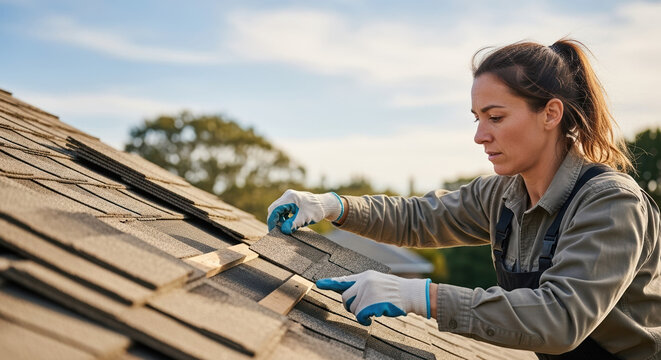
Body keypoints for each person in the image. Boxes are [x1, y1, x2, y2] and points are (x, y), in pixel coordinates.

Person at [266, 39, 661, 360]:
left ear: (551, 114)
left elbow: (560, 319)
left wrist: (421, 296)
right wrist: (335, 206)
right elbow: (419, 218)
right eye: (477, 118)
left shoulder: (611, 204)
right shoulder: (503, 193)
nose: (480, 136)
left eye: (496, 117)